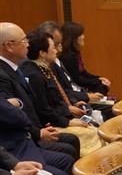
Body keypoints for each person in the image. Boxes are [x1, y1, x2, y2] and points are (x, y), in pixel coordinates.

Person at [0, 22, 81, 160]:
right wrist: (38, 132)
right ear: (9, 46)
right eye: (24, 40)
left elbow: (33, 104)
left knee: (71, 142)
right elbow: (12, 114)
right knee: (67, 154)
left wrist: (43, 125)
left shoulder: (16, 67)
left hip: (37, 128)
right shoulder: (4, 74)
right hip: (22, 141)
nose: (28, 44)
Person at [20, 31, 103, 156]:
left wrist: (71, 106)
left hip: (61, 115)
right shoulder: (34, 75)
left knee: (93, 127)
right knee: (91, 132)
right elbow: (45, 110)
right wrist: (67, 122)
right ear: (42, 53)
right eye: (53, 47)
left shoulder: (45, 68)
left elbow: (56, 99)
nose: (56, 51)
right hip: (51, 124)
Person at [0, 97, 76, 175]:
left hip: (22, 143)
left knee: (66, 160)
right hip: (14, 149)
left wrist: (15, 165)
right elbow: (20, 118)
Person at [58, 21, 111, 96]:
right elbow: (77, 80)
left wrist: (100, 78)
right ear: (73, 38)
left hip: (81, 85)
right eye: (81, 35)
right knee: (101, 87)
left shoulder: (75, 53)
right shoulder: (67, 57)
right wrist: (98, 82)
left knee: (102, 86)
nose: (83, 37)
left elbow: (83, 73)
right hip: (76, 90)